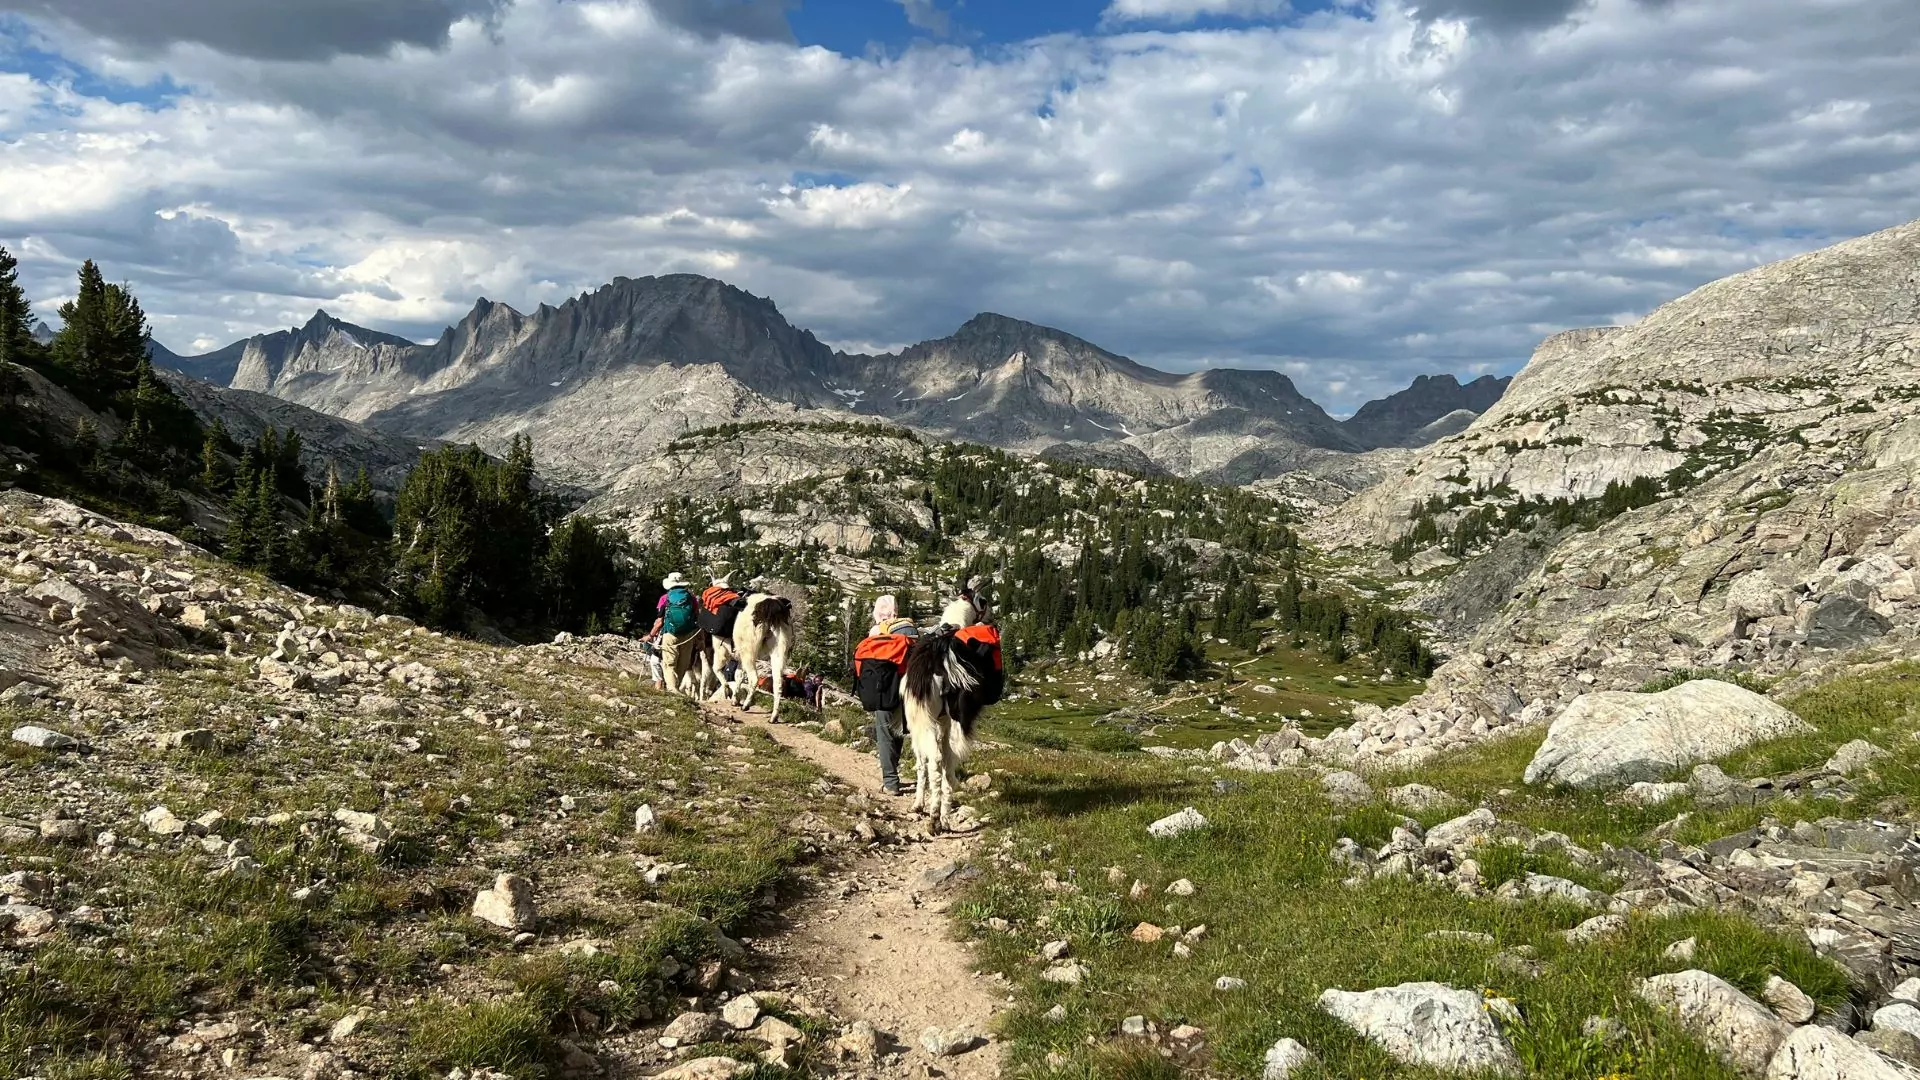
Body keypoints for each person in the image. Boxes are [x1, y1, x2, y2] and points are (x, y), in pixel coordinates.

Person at [853, 594, 918, 795]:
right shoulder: (909, 630)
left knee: (885, 733)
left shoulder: (875, 631)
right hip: (908, 687)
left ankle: (890, 782)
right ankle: (897, 774)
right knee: (898, 731)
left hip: (884, 687)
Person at [656, 572, 702, 697]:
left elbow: (660, 620)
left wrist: (651, 634)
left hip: (670, 633)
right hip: (688, 634)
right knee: (683, 662)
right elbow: (697, 616)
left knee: (669, 662)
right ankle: (676, 686)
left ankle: (671, 688)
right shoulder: (691, 598)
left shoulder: (665, 598)